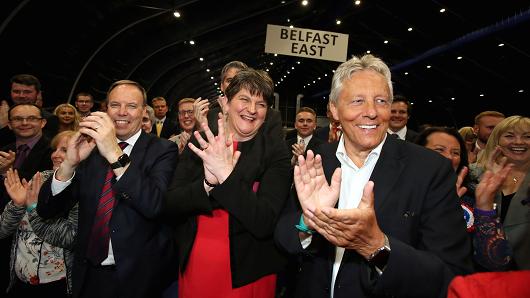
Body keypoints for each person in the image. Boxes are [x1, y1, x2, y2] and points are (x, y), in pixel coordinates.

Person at [275, 54, 472, 298]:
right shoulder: (316, 160)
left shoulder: (430, 170)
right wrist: (309, 221)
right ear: (334, 109)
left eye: (381, 101)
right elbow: (283, 236)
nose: (371, 112)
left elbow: (451, 276)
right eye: (357, 101)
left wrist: (377, 247)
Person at [37, 80, 178, 298]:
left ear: (143, 112)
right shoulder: (89, 148)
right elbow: (47, 210)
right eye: (115, 105)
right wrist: (69, 164)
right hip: (88, 275)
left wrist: (114, 152)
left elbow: (154, 205)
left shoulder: (163, 149)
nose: (122, 112)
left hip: (139, 279)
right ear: (105, 109)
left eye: (131, 106)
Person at [163, 69, 292, 298]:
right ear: (226, 102)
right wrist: (207, 185)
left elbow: (264, 221)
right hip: (197, 262)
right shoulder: (202, 140)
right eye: (244, 99)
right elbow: (171, 204)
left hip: (250, 270)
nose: (252, 110)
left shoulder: (275, 152)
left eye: (261, 104)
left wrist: (225, 176)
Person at [1, 130, 77, 297]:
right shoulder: (38, 179)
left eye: (64, 150)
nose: (55, 155)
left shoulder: (85, 190)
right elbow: (2, 231)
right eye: (55, 149)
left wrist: (32, 209)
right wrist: (17, 205)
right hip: (20, 281)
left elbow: (71, 238)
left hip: (59, 286)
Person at [471, 115, 530, 271]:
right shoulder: (474, 176)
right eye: (510, 136)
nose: (519, 142)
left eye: (527, 136)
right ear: (497, 141)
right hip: (482, 272)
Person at [0, 74, 59, 147]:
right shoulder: (2, 115)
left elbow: (45, 147)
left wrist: (5, 128)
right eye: (16, 91)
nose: (21, 96)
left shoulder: (50, 119)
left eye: (27, 92)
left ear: (37, 94)